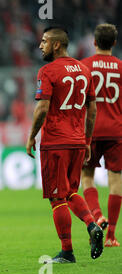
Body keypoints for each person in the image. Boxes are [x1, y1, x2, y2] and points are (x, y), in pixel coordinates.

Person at [26, 26, 103, 263]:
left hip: (55, 142)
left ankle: (67, 251)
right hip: (77, 141)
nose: (40, 45)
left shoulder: (48, 71)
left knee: (57, 197)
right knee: (71, 192)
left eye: (44, 41)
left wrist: (31, 136)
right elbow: (92, 111)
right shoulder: (84, 70)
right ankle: (92, 224)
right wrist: (87, 140)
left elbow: (42, 108)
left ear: (56, 45)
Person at [80, 23, 122, 247]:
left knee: (87, 176)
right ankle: (112, 236)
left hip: (90, 129)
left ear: (94, 42)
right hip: (116, 131)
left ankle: (97, 216)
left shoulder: (84, 66)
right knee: (116, 181)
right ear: (114, 43)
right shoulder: (121, 68)